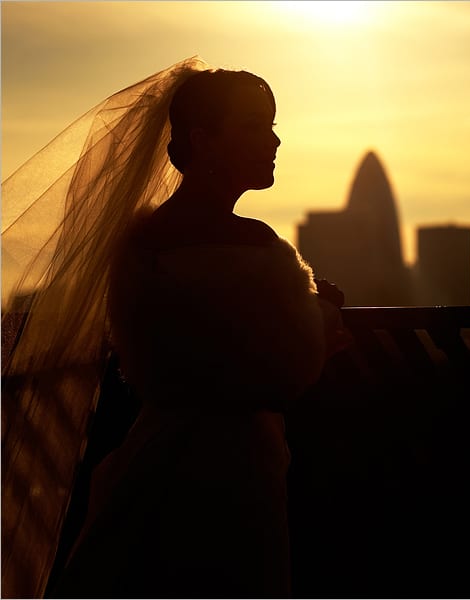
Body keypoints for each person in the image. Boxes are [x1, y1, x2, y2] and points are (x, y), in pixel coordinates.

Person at [2, 57, 350, 598]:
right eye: (255, 126)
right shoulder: (250, 245)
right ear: (203, 140)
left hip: (154, 449)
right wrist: (325, 310)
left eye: (273, 125)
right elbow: (289, 366)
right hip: (232, 472)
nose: (275, 141)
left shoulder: (142, 241)